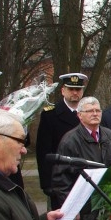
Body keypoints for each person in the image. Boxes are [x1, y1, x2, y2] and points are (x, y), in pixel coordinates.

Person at [36, 73, 89, 204]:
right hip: (61, 179)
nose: (75, 92)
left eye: (78, 89)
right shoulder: (50, 114)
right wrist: (47, 183)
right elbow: (43, 150)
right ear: (63, 90)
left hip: (86, 177)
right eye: (71, 89)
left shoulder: (91, 113)